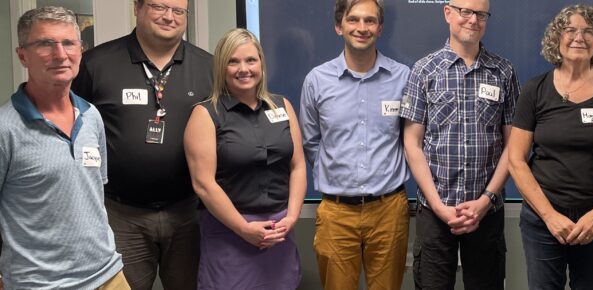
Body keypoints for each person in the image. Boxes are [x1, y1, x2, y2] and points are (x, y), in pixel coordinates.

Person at [71, 1, 212, 289]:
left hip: (189, 214)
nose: (169, 17)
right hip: (121, 216)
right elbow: (71, 130)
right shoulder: (97, 64)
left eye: (178, 11)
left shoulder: (209, 67)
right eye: (159, 6)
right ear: (137, 7)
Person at [507, 4, 593, 289]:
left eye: (589, 31)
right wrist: (550, 216)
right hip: (543, 221)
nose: (580, 37)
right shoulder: (535, 89)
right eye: (571, 30)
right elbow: (516, 159)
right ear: (557, 38)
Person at [0, 6, 128, 289]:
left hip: (108, 275)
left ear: (80, 51)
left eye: (69, 43)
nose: (60, 54)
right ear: (22, 55)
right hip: (41, 283)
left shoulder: (92, 116)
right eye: (45, 44)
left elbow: (93, 194)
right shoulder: (5, 129)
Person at [400, 0, 519, 288]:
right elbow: (412, 144)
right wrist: (440, 207)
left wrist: (485, 200)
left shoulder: (503, 72)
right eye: (466, 11)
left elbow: (513, 146)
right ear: (448, 13)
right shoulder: (423, 71)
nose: (473, 19)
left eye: (481, 14)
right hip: (435, 213)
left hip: (486, 211)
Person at [300, 0, 411, 289]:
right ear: (339, 26)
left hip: (389, 211)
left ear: (380, 28)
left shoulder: (403, 78)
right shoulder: (317, 81)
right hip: (336, 213)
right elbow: (311, 143)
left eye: (370, 21)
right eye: (354, 20)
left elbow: (412, 141)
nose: (362, 28)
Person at [183, 28, 304, 289]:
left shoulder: (282, 106)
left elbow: (298, 166)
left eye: (251, 60)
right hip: (229, 235)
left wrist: (292, 217)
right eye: (233, 61)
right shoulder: (205, 115)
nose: (243, 69)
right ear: (221, 68)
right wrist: (243, 229)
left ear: (261, 62)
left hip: (279, 232)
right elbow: (203, 184)